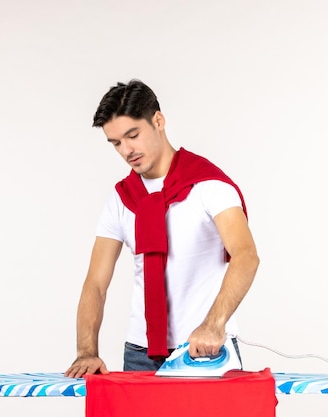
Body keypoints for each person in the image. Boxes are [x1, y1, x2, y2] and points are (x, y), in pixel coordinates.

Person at [64, 79, 259, 377]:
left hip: (204, 349)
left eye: (133, 135)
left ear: (158, 120)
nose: (127, 150)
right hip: (140, 354)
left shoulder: (208, 185)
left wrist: (213, 325)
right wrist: (86, 352)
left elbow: (246, 256)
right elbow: (96, 284)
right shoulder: (121, 198)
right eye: (116, 143)